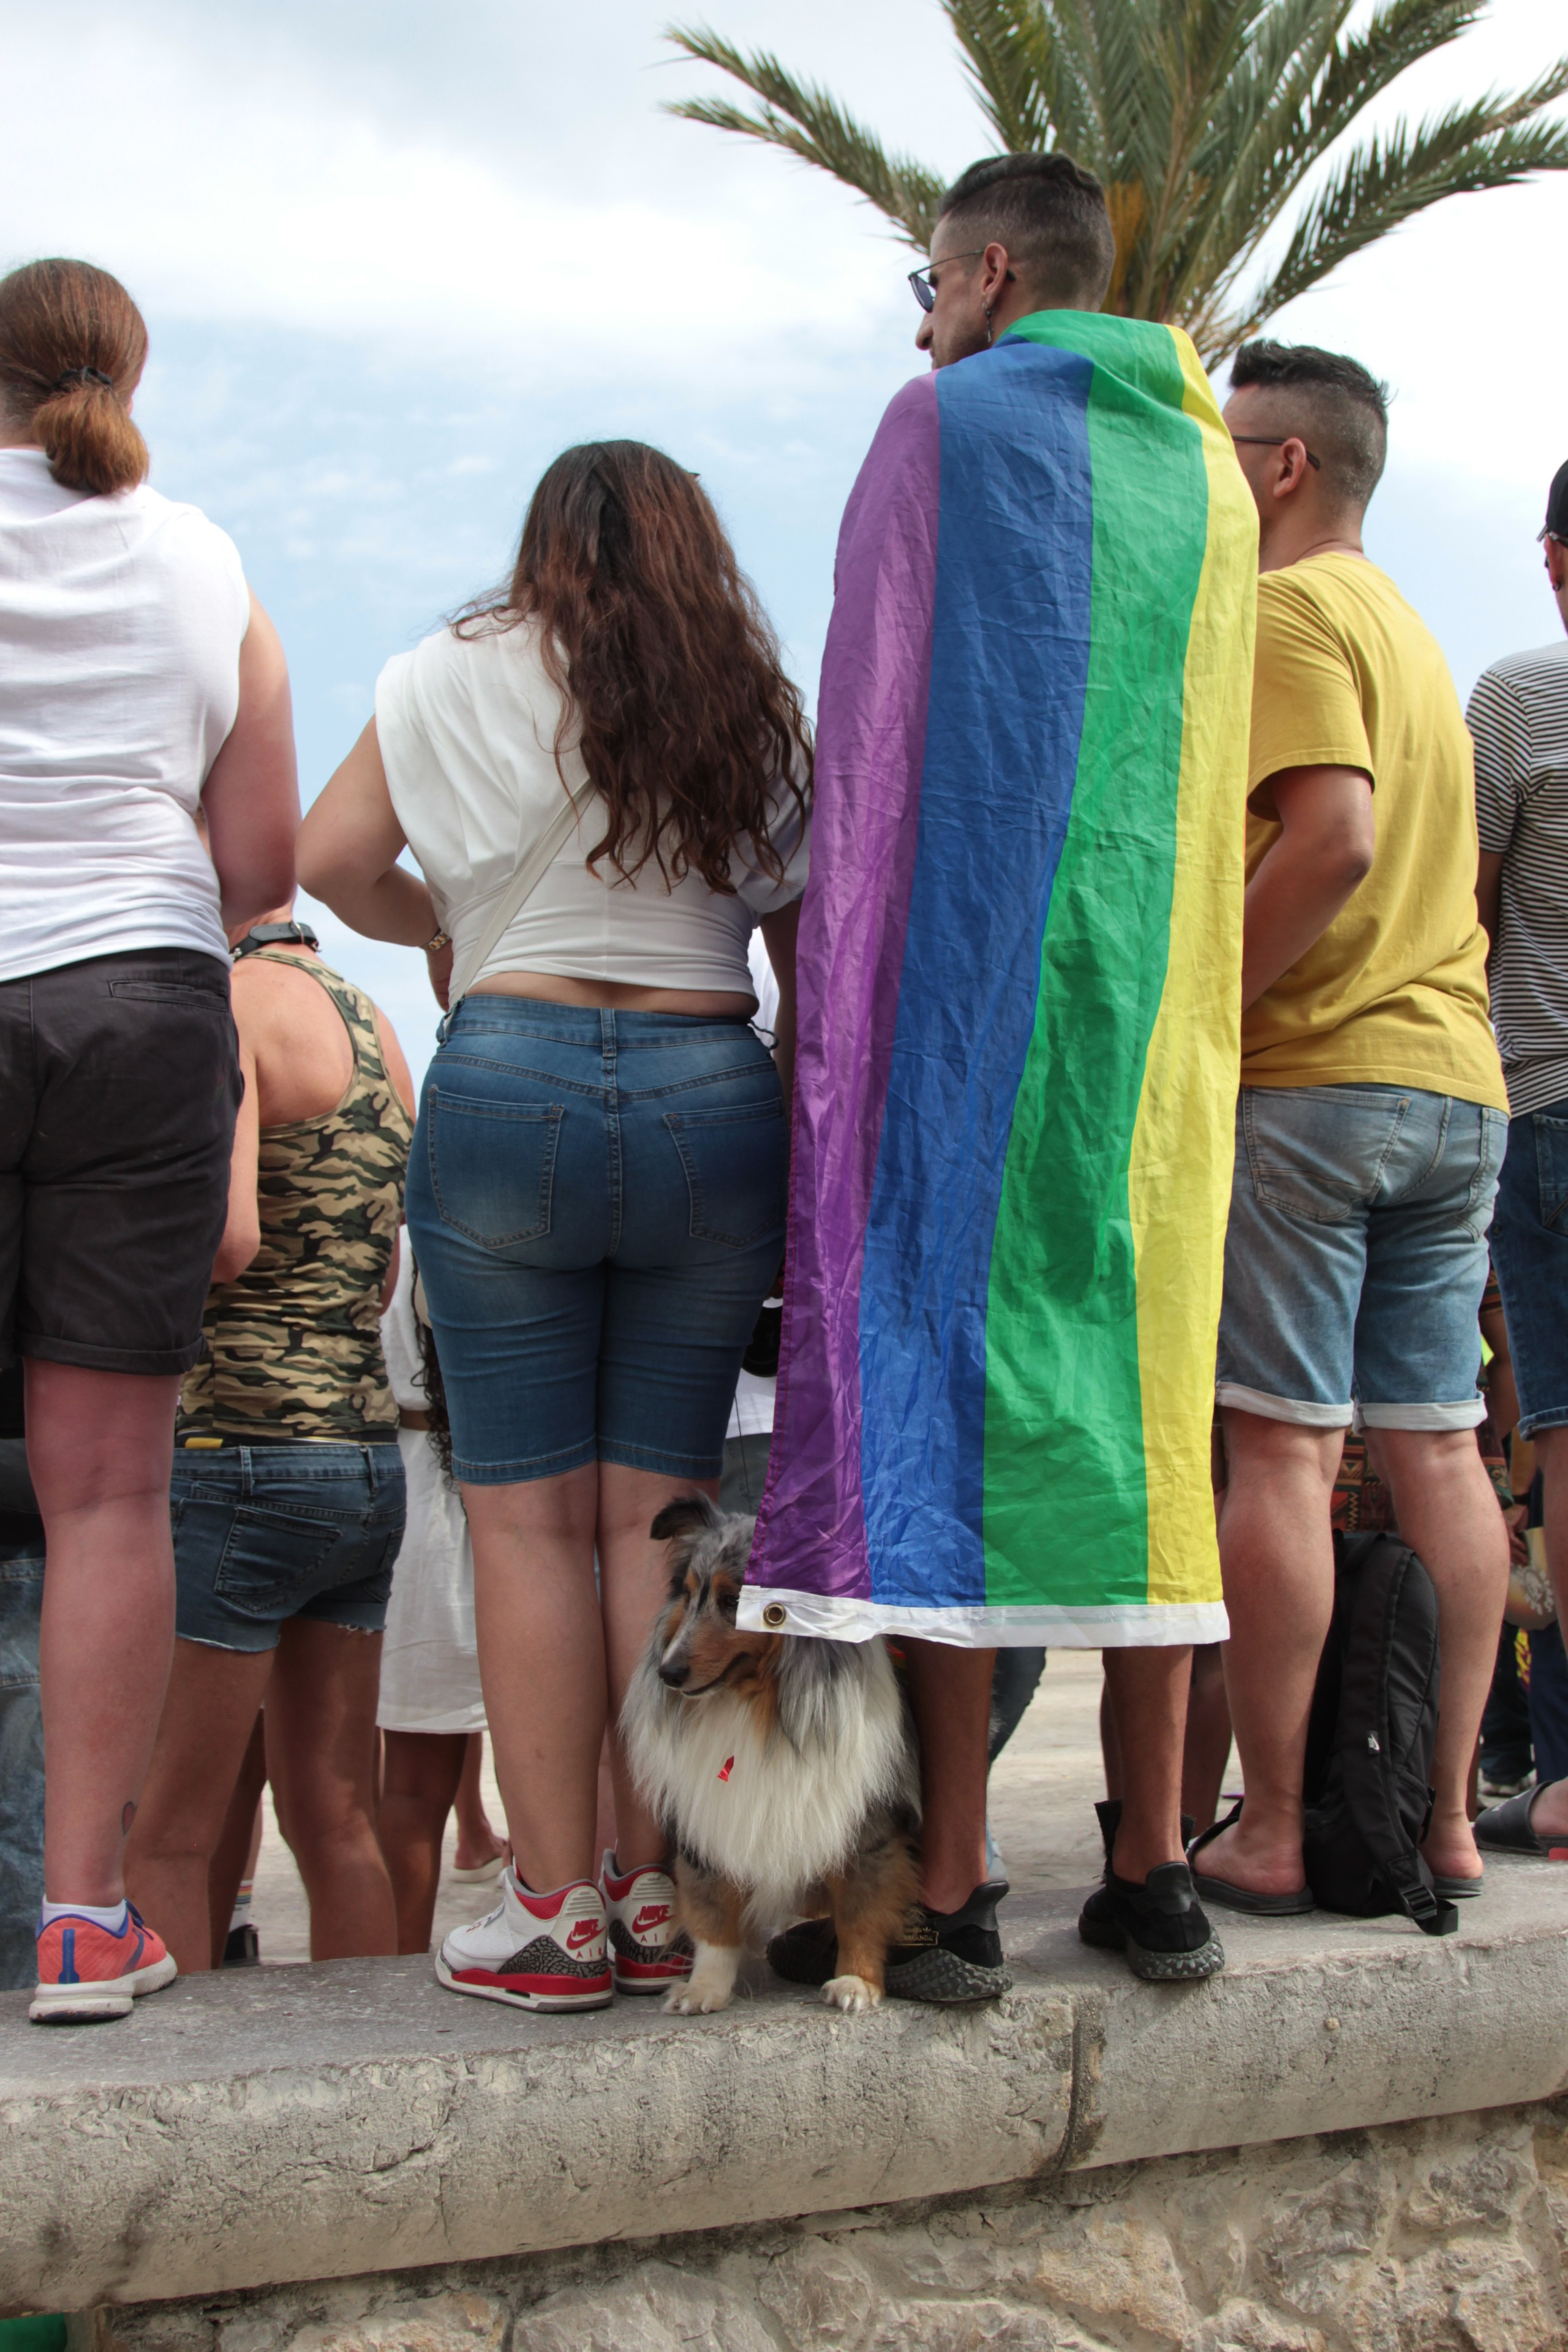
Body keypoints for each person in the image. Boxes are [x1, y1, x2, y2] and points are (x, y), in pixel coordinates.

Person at [745, 152, 1257, 1994]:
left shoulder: (939, 426)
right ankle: (1150, 1864)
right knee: (1142, 1419)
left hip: (962, 1019)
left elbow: (876, 734)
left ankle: (952, 1876)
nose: (922, 324)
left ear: (980, 275)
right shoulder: (1211, 467)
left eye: (928, 287)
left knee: (938, 1397)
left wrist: (838, 1038)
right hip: (1145, 1046)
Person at [299, 440, 810, 2010]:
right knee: (652, 1513)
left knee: (520, 1521)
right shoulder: (753, 697)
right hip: (706, 1085)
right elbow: (809, 952)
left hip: (508, 1076)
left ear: (540, 546)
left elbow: (325, 862)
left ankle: (548, 1908)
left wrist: (448, 926)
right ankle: (653, 1891)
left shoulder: (442, 671)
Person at [0, 259, 298, 2024]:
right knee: (107, 1491)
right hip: (138, 997)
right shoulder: (205, 561)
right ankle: (83, 1923)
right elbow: (259, 869)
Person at [1196, 341, 1510, 1916]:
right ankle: (1443, 1819)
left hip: (1317, 1081)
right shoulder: (1409, 629)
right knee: (1438, 1445)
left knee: (1279, 1444)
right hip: (1455, 1082)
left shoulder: (1289, 610)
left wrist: (1210, 1019)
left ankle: (1270, 1825)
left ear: (1283, 466)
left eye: (1225, 442)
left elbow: (1329, 840)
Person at [126, 912, 413, 1971]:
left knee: (168, 1830)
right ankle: (366, 2057)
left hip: (240, 1452)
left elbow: (229, 1236)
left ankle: (178, 2075)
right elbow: (383, 1271)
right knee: (337, 1819)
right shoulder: (377, 1025)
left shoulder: (233, 1006)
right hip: (364, 1457)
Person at [1468, 460, 1568, 1856]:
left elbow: (1463, 922)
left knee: (1558, 1442)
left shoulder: (1520, 696)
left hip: (1548, 1105)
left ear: (1553, 559)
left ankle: (1563, 1773)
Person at [374, 1237, 497, 1954]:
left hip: (415, 1487)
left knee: (412, 1778)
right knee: (422, 1776)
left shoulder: (389, 1238)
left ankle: (399, 1953)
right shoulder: (447, 1238)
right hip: (464, 1495)